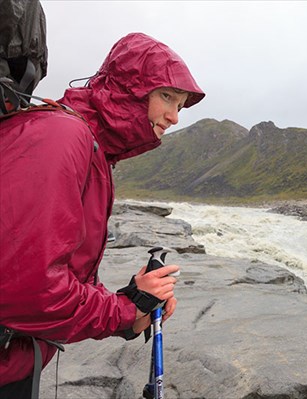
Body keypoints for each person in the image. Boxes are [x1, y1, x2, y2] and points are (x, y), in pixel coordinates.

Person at [0, 32, 205, 397]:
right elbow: (30, 291)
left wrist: (134, 303)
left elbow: (59, 270)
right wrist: (123, 311)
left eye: (182, 104)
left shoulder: (92, 149)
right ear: (129, 89)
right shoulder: (63, 137)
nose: (174, 116)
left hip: (16, 361)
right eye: (167, 97)